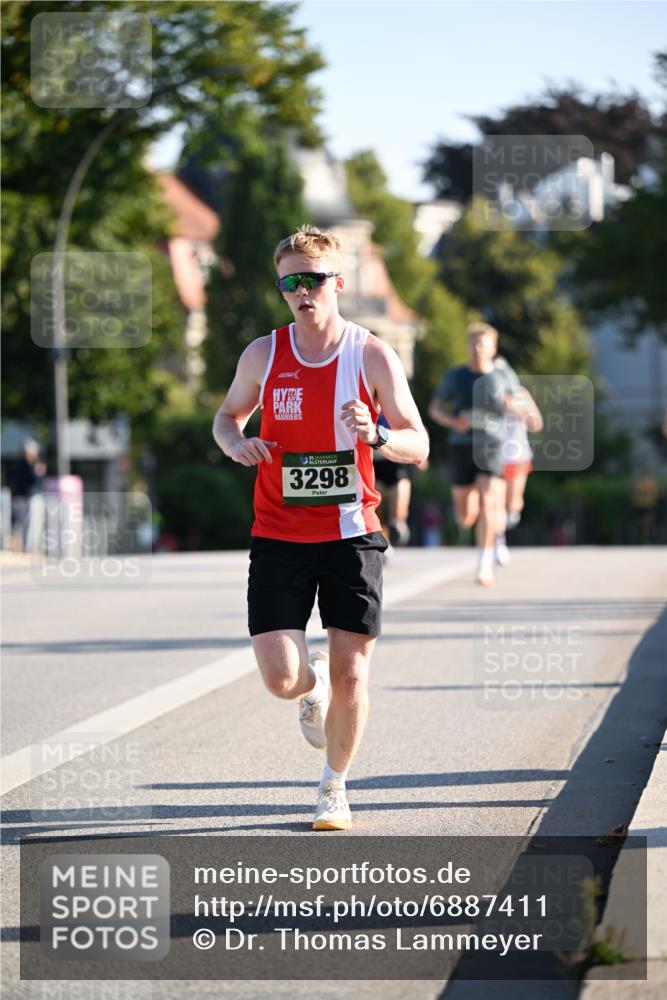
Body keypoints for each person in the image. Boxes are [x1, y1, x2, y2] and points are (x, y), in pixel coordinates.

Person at [212, 225, 429, 831]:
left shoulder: (372, 355)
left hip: (352, 533)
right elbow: (227, 417)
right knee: (282, 678)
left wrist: (378, 434)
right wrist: (237, 445)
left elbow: (419, 443)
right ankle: (310, 695)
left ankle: (334, 786)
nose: (301, 292)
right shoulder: (264, 353)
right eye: (290, 283)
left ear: (338, 282)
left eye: (312, 280)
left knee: (353, 669)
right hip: (278, 533)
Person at [428, 323, 518, 587]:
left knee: (489, 500)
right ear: (468, 347)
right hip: (461, 446)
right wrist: (454, 422)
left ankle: (484, 564)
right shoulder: (455, 376)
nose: (478, 349)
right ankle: (476, 523)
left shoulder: (503, 376)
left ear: (493, 348)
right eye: (473, 343)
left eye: (483, 344)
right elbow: (435, 409)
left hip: (491, 445)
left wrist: (511, 405)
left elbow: (521, 404)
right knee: (465, 515)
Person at [494, 374, 543, 565]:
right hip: (494, 456)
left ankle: (509, 516)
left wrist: (519, 410)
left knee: (513, 502)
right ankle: (499, 541)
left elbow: (537, 424)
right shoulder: (488, 393)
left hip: (518, 456)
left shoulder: (522, 394)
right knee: (496, 502)